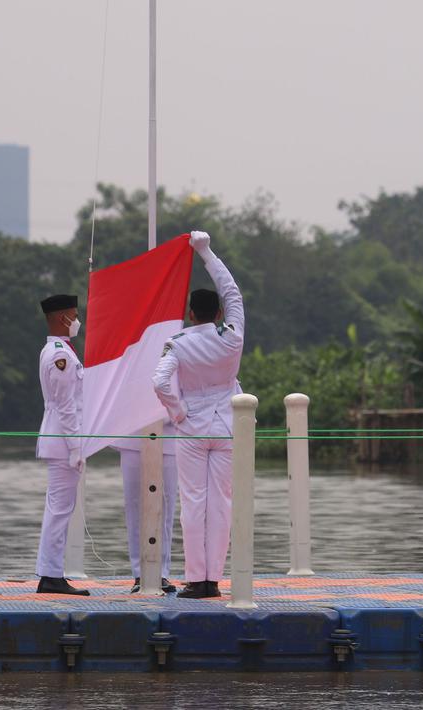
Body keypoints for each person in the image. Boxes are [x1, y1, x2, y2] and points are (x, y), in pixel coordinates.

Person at [152, 231, 244, 599]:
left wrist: (177, 410)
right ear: (220, 313)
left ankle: (196, 580)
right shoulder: (232, 337)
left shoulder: (180, 343)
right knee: (221, 502)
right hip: (227, 424)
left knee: (193, 501)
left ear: (190, 314)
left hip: (191, 426)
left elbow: (159, 381)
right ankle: (214, 581)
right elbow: (233, 291)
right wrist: (205, 253)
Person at [35, 294, 89, 595]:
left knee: (59, 507)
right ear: (62, 318)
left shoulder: (60, 351)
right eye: (74, 315)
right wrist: (75, 446)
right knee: (59, 508)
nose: (78, 321)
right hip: (62, 440)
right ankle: (50, 575)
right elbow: (66, 405)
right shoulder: (61, 356)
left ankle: (50, 572)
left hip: (61, 438)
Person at [113, 423, 179, 594]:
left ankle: (161, 572)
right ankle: (139, 572)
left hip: (169, 435)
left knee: (166, 506)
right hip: (132, 435)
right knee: (134, 507)